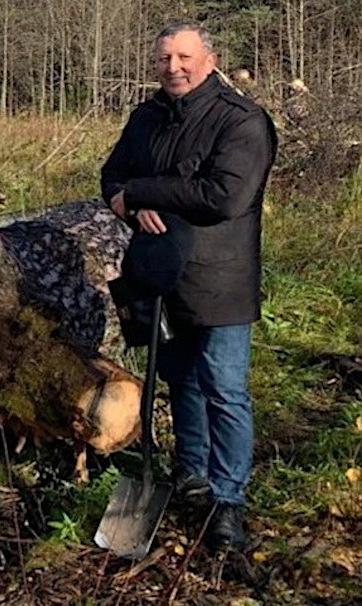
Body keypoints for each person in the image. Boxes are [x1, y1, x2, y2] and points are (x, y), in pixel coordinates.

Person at [100, 20, 276, 550]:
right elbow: (112, 177)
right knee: (180, 380)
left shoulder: (241, 121)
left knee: (224, 389)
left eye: (184, 57)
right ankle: (190, 472)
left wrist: (144, 192)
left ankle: (228, 500)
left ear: (210, 61)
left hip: (221, 278)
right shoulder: (147, 116)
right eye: (164, 59)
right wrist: (130, 204)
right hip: (159, 273)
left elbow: (224, 197)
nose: (173, 68)